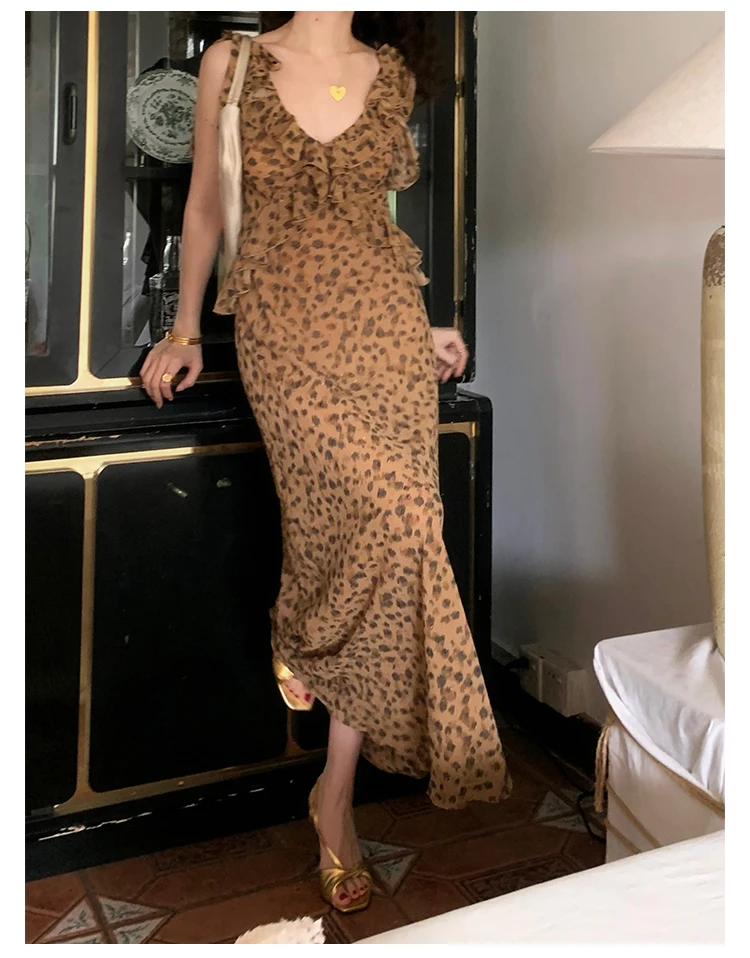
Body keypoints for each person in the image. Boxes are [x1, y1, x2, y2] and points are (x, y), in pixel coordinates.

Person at [140, 11, 510, 915]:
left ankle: (333, 797)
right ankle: (300, 631)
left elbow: (376, 218)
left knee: (404, 529)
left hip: (384, 329)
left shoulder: (393, 74)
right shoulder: (233, 62)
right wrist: (185, 329)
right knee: (373, 518)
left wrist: (422, 325)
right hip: (284, 327)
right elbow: (205, 203)